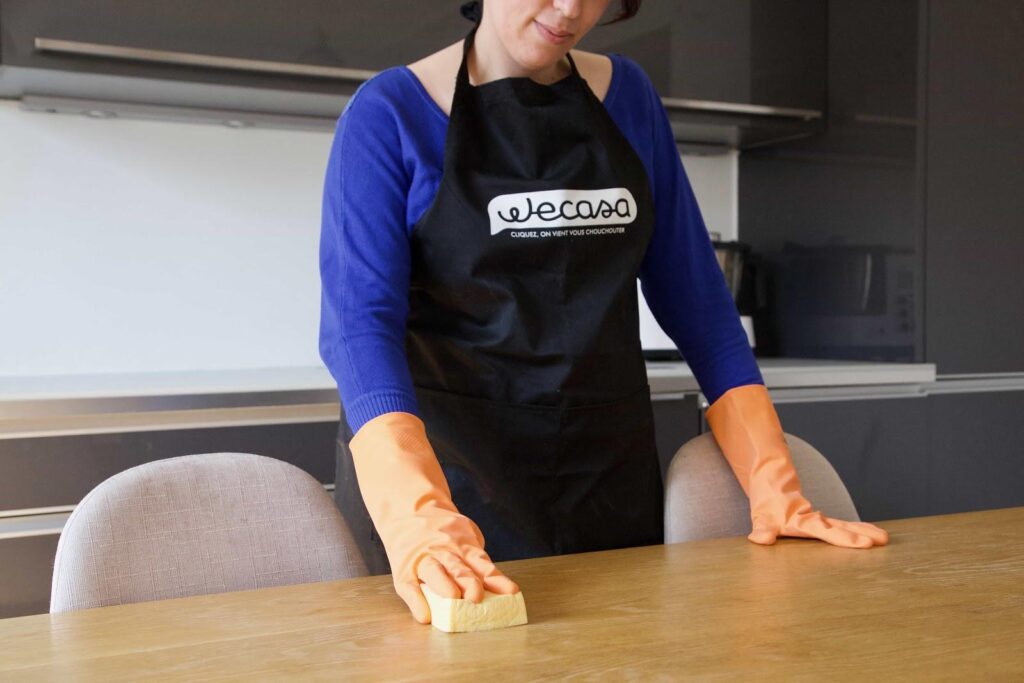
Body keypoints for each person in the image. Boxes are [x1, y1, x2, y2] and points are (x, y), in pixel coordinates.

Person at [318, 0, 889, 625]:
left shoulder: (629, 97)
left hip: (604, 468)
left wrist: (774, 482)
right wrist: (416, 516)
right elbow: (357, 328)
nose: (570, 10)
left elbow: (698, 302)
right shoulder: (390, 113)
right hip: (448, 474)